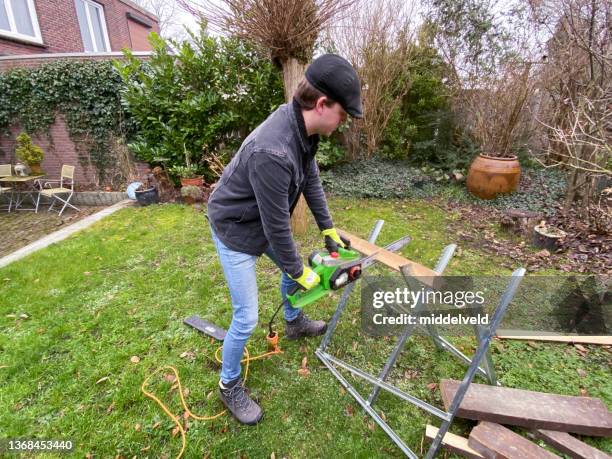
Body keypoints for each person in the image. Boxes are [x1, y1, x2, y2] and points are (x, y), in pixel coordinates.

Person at [206, 53, 362, 425]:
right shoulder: (273, 150)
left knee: (293, 268)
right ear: (322, 104)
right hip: (235, 229)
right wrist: (299, 270)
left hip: (262, 221)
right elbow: (277, 225)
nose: (342, 123)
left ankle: (292, 321)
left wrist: (327, 227)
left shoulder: (301, 129)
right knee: (246, 318)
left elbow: (310, 180)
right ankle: (229, 385)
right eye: (342, 114)